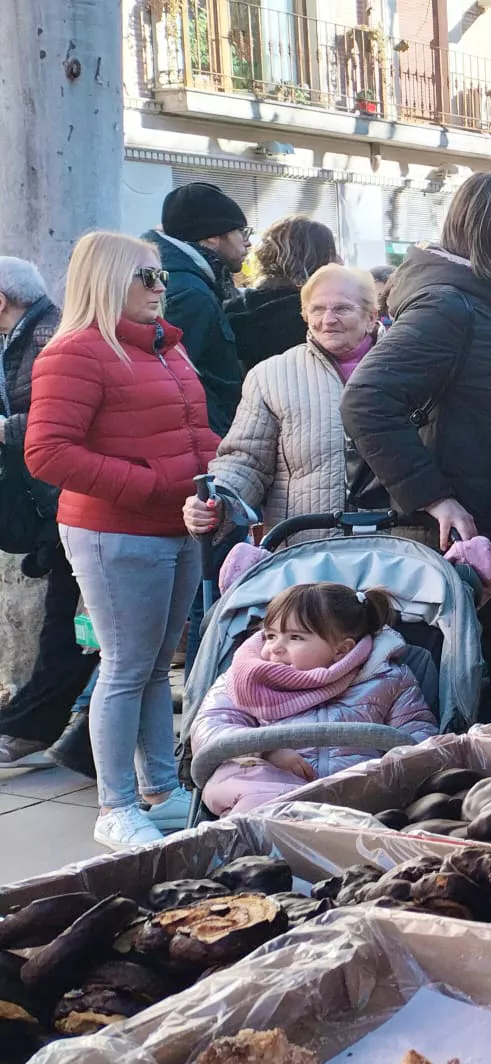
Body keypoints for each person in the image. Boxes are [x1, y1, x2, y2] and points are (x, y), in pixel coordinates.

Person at [24, 231, 221, 848]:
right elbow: (47, 453)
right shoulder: (76, 352)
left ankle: (160, 790)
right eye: (147, 277)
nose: (161, 288)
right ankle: (116, 805)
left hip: (174, 524)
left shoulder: (167, 348)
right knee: (127, 667)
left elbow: (192, 433)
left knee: (155, 667)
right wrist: (156, 483)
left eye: (161, 276)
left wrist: (219, 476)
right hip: (114, 532)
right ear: (108, 280)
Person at [342, 173, 491, 716]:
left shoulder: (485, 299)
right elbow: (367, 399)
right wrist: (434, 496)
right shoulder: (449, 304)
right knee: (481, 692)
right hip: (464, 539)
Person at [191, 583, 435, 815]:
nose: (275, 648)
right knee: (248, 782)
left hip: (356, 791)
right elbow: (210, 727)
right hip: (270, 786)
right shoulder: (246, 678)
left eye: (295, 637)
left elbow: (418, 734)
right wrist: (264, 750)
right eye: (270, 635)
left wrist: (386, 771)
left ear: (342, 650)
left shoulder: (386, 678)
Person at [184, 265, 380, 545]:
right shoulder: (271, 376)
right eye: (317, 309)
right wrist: (219, 502)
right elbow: (246, 460)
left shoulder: (407, 369)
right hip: (305, 549)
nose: (328, 319)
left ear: (370, 317)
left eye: (342, 309)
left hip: (394, 548)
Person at [0, 258, 95, 768]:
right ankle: (45, 726)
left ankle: (36, 727)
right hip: (60, 501)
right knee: (73, 621)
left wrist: (5, 430)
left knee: (73, 621)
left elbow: (56, 417)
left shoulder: (49, 337)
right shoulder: (28, 333)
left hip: (76, 500)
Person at [142, 182, 251, 435]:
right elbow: (171, 380)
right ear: (213, 236)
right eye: (240, 232)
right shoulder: (188, 292)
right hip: (202, 437)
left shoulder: (184, 279)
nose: (247, 243)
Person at [224, 216, 340, 370]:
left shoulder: (234, 308)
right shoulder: (317, 317)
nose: (339, 260)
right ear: (316, 261)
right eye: (331, 253)